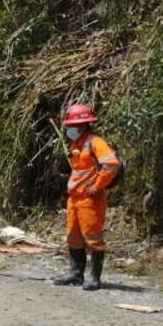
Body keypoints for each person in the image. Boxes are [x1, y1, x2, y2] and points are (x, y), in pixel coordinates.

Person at [52, 103, 120, 291]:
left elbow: (112, 165)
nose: (69, 129)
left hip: (90, 199)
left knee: (93, 238)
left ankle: (94, 278)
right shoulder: (77, 143)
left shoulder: (95, 142)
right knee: (73, 236)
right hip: (74, 198)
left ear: (82, 125)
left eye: (72, 126)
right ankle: (76, 274)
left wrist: (97, 186)